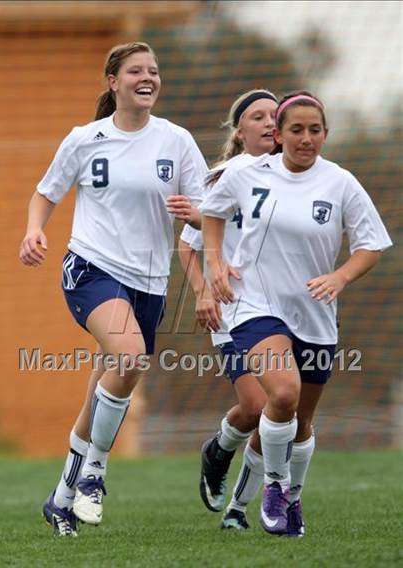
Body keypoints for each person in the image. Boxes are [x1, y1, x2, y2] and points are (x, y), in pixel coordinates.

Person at [19, 42, 207, 537]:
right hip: (91, 267)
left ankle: (61, 498)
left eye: (154, 71)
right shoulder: (85, 139)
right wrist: (34, 229)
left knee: (101, 397)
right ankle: (96, 473)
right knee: (129, 357)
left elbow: (210, 211)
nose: (147, 77)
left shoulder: (177, 141)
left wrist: (198, 216)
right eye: (136, 71)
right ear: (113, 82)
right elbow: (44, 193)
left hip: (149, 285)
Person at [199, 90, 392, 537]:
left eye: (315, 130)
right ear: (279, 134)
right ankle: (274, 486)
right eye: (296, 130)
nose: (306, 139)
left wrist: (340, 277)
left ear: (325, 134)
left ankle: (292, 498)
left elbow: (371, 246)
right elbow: (212, 215)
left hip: (316, 315)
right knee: (281, 394)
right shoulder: (247, 174)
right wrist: (215, 266)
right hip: (256, 307)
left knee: (302, 421)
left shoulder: (340, 182)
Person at [178, 89, 278, 530]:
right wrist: (202, 291)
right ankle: (219, 450)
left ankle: (238, 509)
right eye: (257, 117)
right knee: (256, 404)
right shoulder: (224, 176)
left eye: (276, 115)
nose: (269, 122)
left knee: (279, 406)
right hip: (235, 306)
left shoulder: (301, 175)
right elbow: (188, 245)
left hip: (283, 307)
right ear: (240, 131)